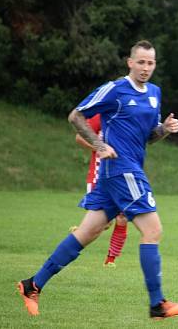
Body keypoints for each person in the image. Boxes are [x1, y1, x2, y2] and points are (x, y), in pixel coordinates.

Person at [17, 40, 178, 319]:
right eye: (141, 62)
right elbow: (76, 116)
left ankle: (32, 285)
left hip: (126, 169)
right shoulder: (115, 89)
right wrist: (99, 145)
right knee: (153, 230)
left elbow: (149, 137)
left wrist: (165, 129)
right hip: (121, 170)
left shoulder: (155, 93)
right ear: (130, 62)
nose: (146, 68)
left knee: (87, 233)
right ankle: (157, 304)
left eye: (151, 63)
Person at [74, 113, 129, 267]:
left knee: (123, 217)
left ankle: (110, 260)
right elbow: (79, 137)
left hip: (122, 175)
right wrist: (100, 148)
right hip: (99, 175)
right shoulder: (101, 116)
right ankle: (78, 234)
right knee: (103, 223)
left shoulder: (129, 115)